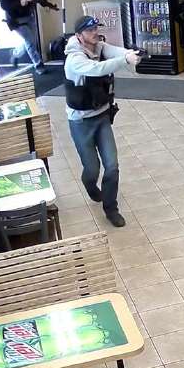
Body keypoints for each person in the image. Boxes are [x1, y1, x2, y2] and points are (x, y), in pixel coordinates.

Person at [64, 15, 141, 228]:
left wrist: (131, 54)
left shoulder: (100, 46)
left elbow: (117, 51)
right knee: (92, 168)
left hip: (102, 117)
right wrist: (124, 61)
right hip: (81, 122)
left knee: (112, 165)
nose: (95, 33)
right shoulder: (74, 60)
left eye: (96, 28)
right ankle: (89, 184)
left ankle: (111, 209)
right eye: (89, 30)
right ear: (79, 36)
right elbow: (97, 69)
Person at [0, 0, 52, 72]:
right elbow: (4, 5)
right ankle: (38, 65)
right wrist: (19, 3)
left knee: (31, 41)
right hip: (15, 20)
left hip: (29, 15)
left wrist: (45, 5)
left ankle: (15, 54)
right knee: (29, 40)